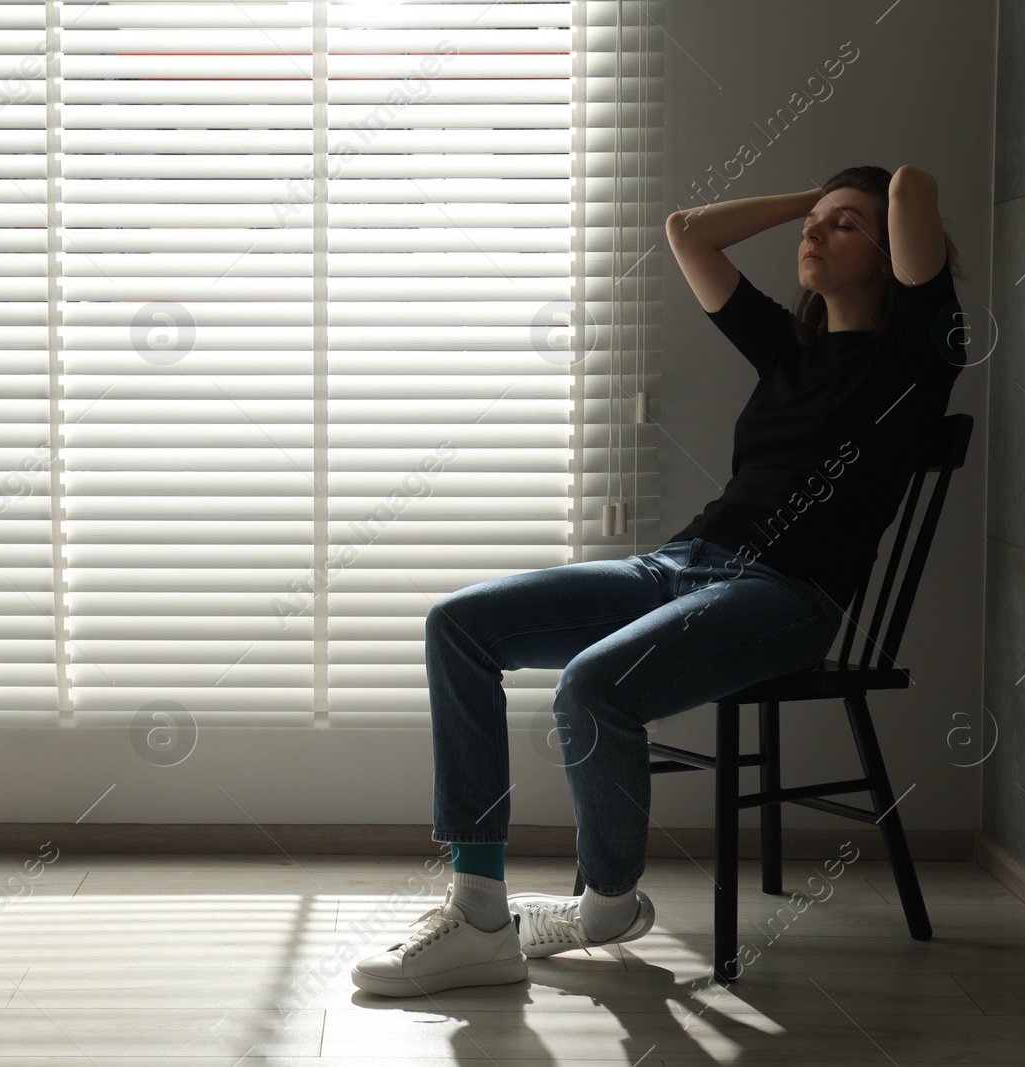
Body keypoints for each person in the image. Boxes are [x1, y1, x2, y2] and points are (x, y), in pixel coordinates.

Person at [349, 165, 968, 997]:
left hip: (785, 595)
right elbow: (686, 229)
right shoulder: (788, 347)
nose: (812, 236)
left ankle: (606, 904)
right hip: (677, 565)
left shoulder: (918, 356)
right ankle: (479, 910)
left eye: (844, 225)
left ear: (893, 253)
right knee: (458, 624)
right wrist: (816, 199)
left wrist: (859, 192)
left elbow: (913, 188)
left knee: (592, 686)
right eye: (810, 225)